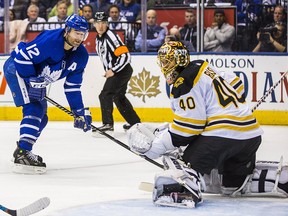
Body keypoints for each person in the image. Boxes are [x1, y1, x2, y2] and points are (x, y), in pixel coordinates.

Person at [126, 41, 288, 207]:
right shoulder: (203, 66)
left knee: (180, 159)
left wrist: (157, 147)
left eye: (169, 61)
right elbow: (237, 83)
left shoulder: (184, 81)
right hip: (251, 136)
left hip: (223, 137)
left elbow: (188, 128)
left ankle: (184, 189)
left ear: (180, 60)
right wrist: (233, 109)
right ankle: (281, 178)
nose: (165, 65)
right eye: (164, 61)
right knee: (232, 183)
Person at [3, 14, 92, 174]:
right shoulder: (51, 41)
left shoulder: (81, 55)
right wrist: (32, 80)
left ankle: (24, 150)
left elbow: (72, 87)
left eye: (82, 34)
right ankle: (22, 152)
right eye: (76, 33)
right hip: (17, 70)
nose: (79, 37)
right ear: (67, 30)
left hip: (34, 78)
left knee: (43, 117)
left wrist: (78, 112)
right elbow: (22, 57)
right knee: (35, 108)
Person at [93, 11, 141, 133]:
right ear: (94, 24)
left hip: (121, 71)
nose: (100, 26)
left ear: (107, 23)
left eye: (103, 23)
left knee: (105, 95)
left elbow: (125, 56)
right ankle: (135, 124)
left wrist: (113, 70)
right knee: (118, 97)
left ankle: (108, 124)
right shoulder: (98, 39)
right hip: (119, 71)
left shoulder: (111, 37)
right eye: (98, 23)